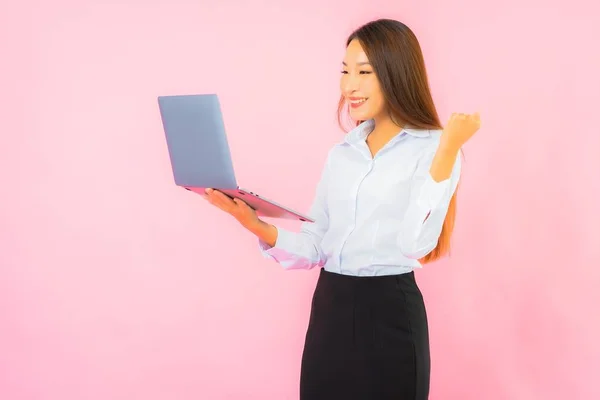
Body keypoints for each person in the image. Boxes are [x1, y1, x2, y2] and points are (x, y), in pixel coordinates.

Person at [203, 18, 480, 400]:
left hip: (391, 312)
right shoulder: (342, 154)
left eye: (364, 72)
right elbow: (318, 244)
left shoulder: (435, 147)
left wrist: (447, 151)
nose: (349, 85)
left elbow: (415, 244)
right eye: (345, 71)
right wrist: (252, 222)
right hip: (331, 307)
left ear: (396, 73)